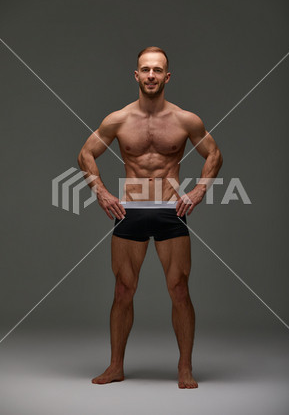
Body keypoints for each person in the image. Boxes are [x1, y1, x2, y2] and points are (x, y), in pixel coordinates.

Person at [77, 46, 223, 389]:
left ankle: (184, 368)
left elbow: (214, 153)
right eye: (146, 69)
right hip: (130, 210)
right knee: (123, 290)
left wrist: (200, 191)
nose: (152, 75)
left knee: (179, 290)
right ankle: (115, 366)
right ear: (137, 75)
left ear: (167, 76)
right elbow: (86, 153)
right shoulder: (118, 119)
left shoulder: (186, 120)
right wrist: (101, 191)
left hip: (171, 211)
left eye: (158, 70)